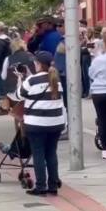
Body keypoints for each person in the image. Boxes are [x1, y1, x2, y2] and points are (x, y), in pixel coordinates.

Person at [16, 51, 66, 196]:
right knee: (51, 153)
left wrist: (20, 79)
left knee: (38, 154)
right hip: (56, 123)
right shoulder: (56, 80)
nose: (34, 64)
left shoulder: (32, 80)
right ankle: (53, 185)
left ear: (39, 64)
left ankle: (41, 186)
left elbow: (19, 94)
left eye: (36, 63)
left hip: (36, 124)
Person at [0, 39, 35, 116]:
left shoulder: (8, 58)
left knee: (7, 96)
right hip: (30, 89)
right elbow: (35, 73)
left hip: (13, 92)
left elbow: (3, 76)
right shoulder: (30, 55)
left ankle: (5, 109)